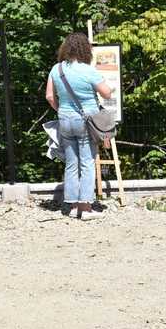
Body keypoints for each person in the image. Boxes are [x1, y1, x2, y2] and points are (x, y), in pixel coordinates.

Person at [46, 33, 112, 220]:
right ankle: (86, 208)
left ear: (66, 48)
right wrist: (111, 89)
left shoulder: (56, 69)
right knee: (87, 162)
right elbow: (106, 94)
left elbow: (50, 96)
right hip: (87, 121)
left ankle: (73, 206)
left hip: (65, 120)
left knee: (71, 163)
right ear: (85, 49)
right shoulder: (88, 70)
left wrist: (61, 110)